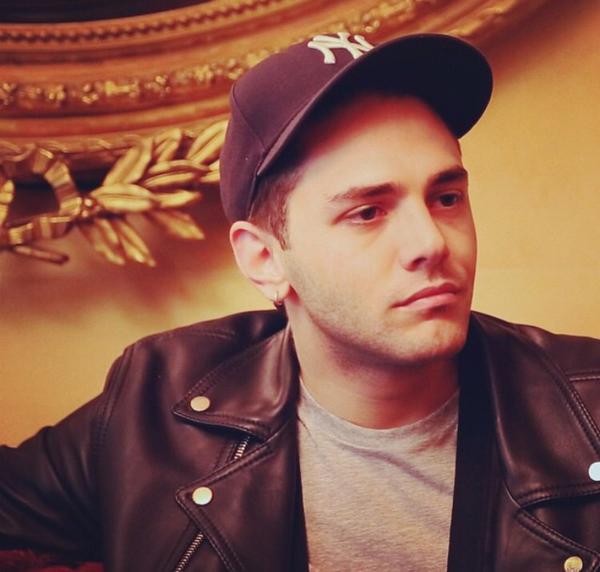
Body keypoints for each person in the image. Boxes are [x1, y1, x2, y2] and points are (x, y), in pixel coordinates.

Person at [1, 32, 600, 572]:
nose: (431, 243)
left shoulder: (589, 409)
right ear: (266, 259)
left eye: (446, 198)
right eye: (367, 212)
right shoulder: (157, 397)